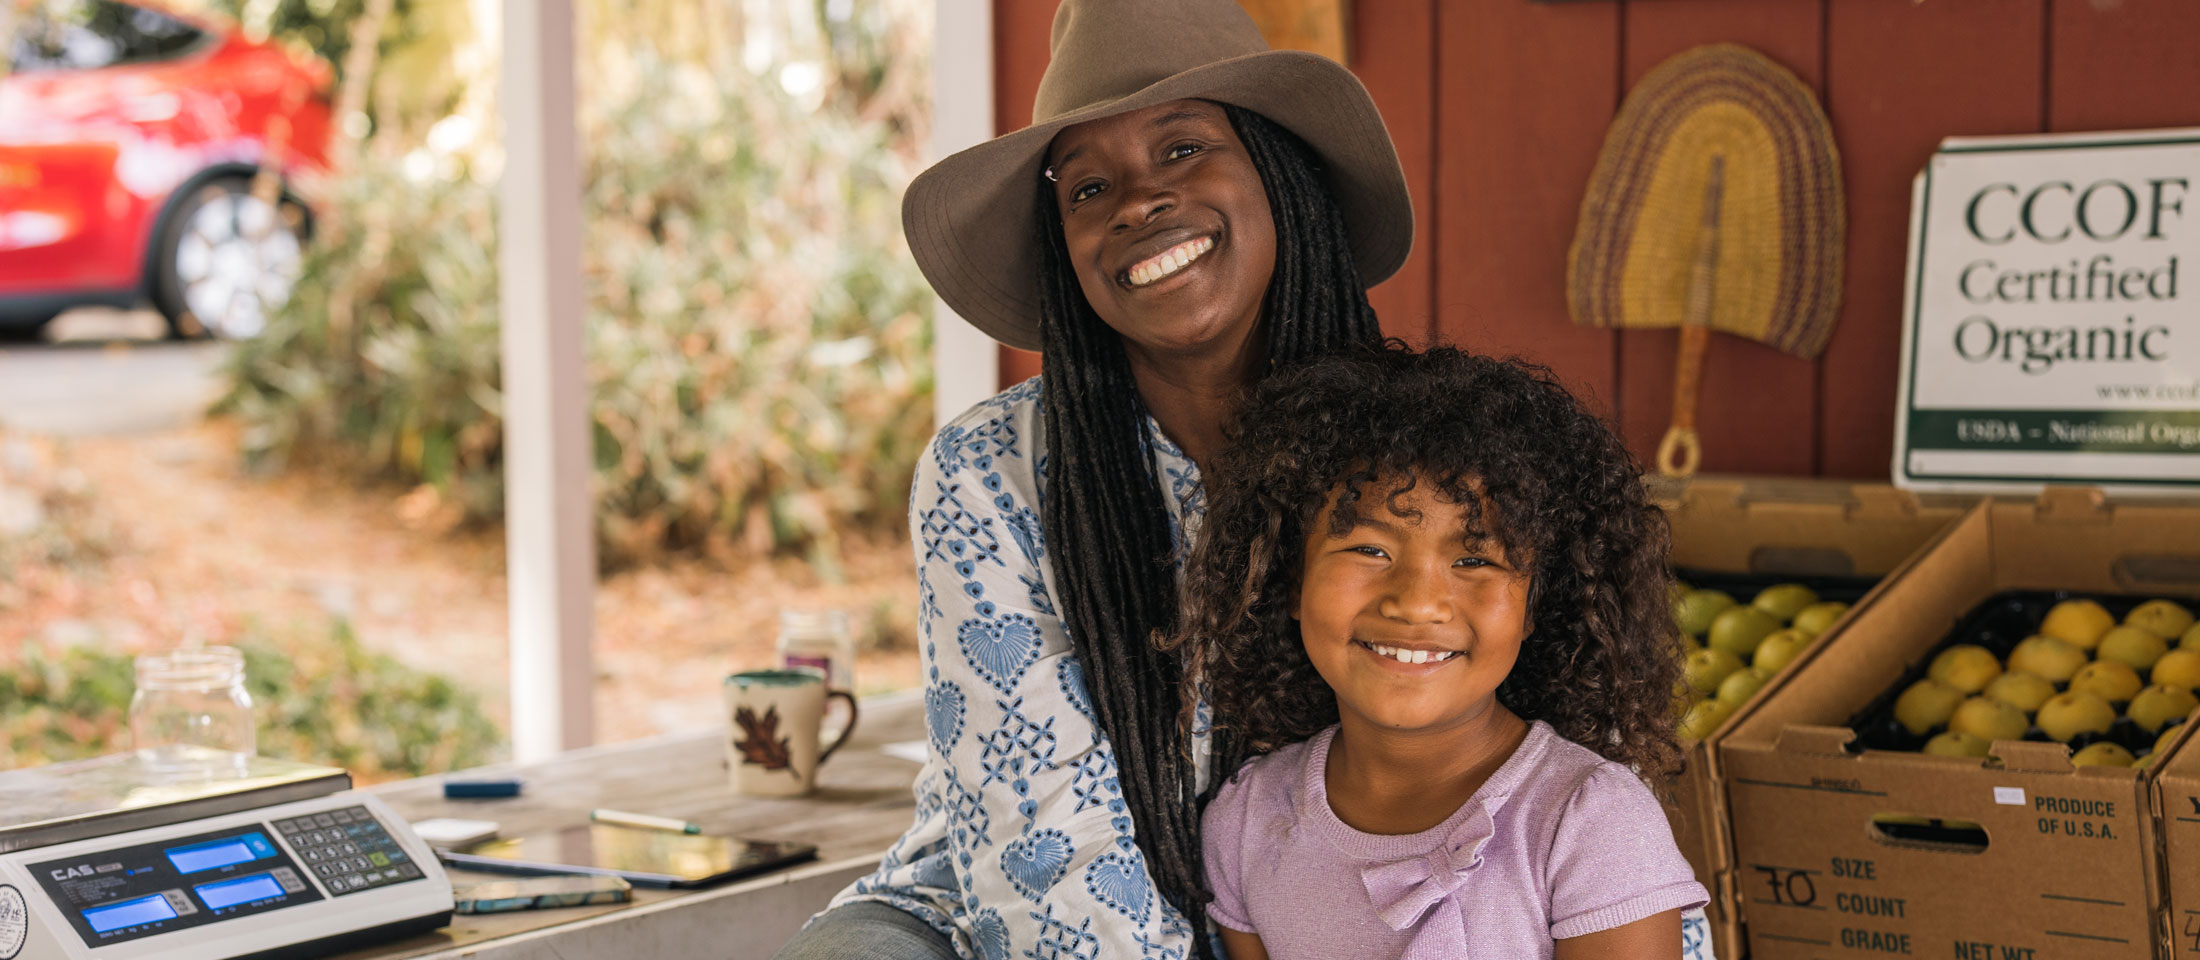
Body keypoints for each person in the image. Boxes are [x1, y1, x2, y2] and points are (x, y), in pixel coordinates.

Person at [771, 1, 1408, 957]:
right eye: (1088, 187)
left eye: (1185, 148)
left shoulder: (1425, 452)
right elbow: (1048, 867)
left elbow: (1556, 778)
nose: (1138, 203)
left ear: (1280, 174)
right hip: (992, 918)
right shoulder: (988, 476)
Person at [1166, 343, 1709, 960]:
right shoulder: (1247, 825)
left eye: (1475, 559)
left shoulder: (1588, 822)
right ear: (1291, 582)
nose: (1417, 603)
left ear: (1536, 606)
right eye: (1370, 550)